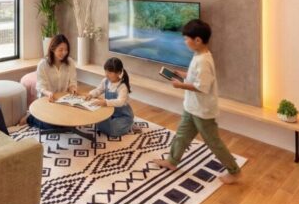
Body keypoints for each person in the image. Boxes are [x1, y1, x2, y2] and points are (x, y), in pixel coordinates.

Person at [153, 19, 241, 184]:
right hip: (191, 107)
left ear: (198, 40)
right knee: (181, 135)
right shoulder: (199, 55)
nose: (185, 42)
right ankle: (172, 161)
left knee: (213, 142)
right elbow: (197, 77)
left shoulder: (204, 61)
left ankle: (234, 171)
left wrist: (181, 85)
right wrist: (184, 75)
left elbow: (202, 87)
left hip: (202, 111)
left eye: (187, 38)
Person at [25, 34, 77, 128]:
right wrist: (48, 93)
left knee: (71, 124)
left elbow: (72, 82)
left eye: (66, 50)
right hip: (48, 101)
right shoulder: (43, 64)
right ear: (53, 49)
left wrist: (73, 88)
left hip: (63, 101)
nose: (64, 52)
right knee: (55, 127)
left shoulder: (70, 63)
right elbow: (40, 86)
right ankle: (31, 118)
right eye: (60, 50)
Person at [85, 57, 137, 138]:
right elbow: (99, 90)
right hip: (111, 113)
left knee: (112, 130)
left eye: (109, 72)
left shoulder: (122, 86)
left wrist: (106, 102)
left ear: (118, 73)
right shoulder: (105, 81)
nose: (106, 74)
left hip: (123, 116)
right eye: (106, 71)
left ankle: (129, 126)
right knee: (98, 123)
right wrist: (91, 94)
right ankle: (116, 123)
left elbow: (120, 102)